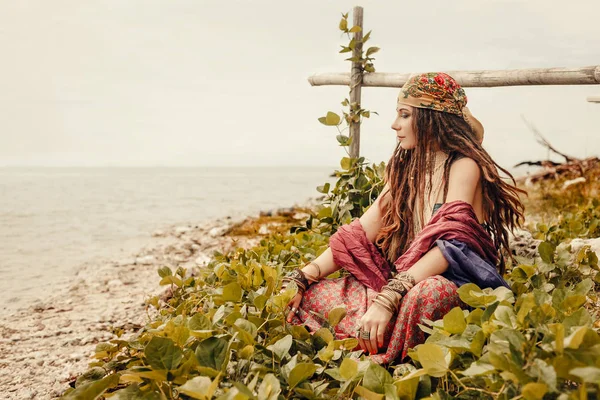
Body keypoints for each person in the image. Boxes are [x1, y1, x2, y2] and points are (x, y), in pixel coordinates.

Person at [282, 72, 525, 364]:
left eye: (404, 114)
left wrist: (389, 297)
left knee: (426, 294)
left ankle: (386, 350)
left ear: (431, 118)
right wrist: (303, 277)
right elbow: (358, 234)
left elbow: (451, 245)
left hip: (451, 281)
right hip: (402, 280)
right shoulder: (404, 169)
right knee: (315, 295)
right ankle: (381, 336)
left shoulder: (464, 166)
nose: (394, 124)